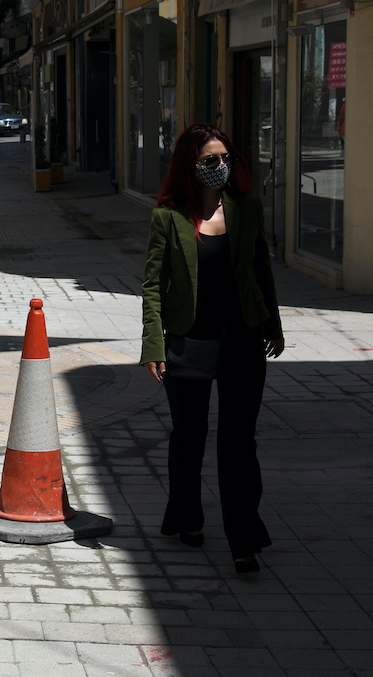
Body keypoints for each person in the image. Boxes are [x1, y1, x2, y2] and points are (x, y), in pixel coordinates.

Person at [140, 123, 284, 575]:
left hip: (242, 342)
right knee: (190, 435)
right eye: (210, 160)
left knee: (239, 443)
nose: (220, 167)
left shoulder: (247, 210)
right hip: (189, 343)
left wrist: (273, 326)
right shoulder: (169, 218)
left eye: (226, 159)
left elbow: (262, 272)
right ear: (190, 165)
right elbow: (152, 286)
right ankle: (187, 514)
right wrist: (154, 343)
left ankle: (244, 538)